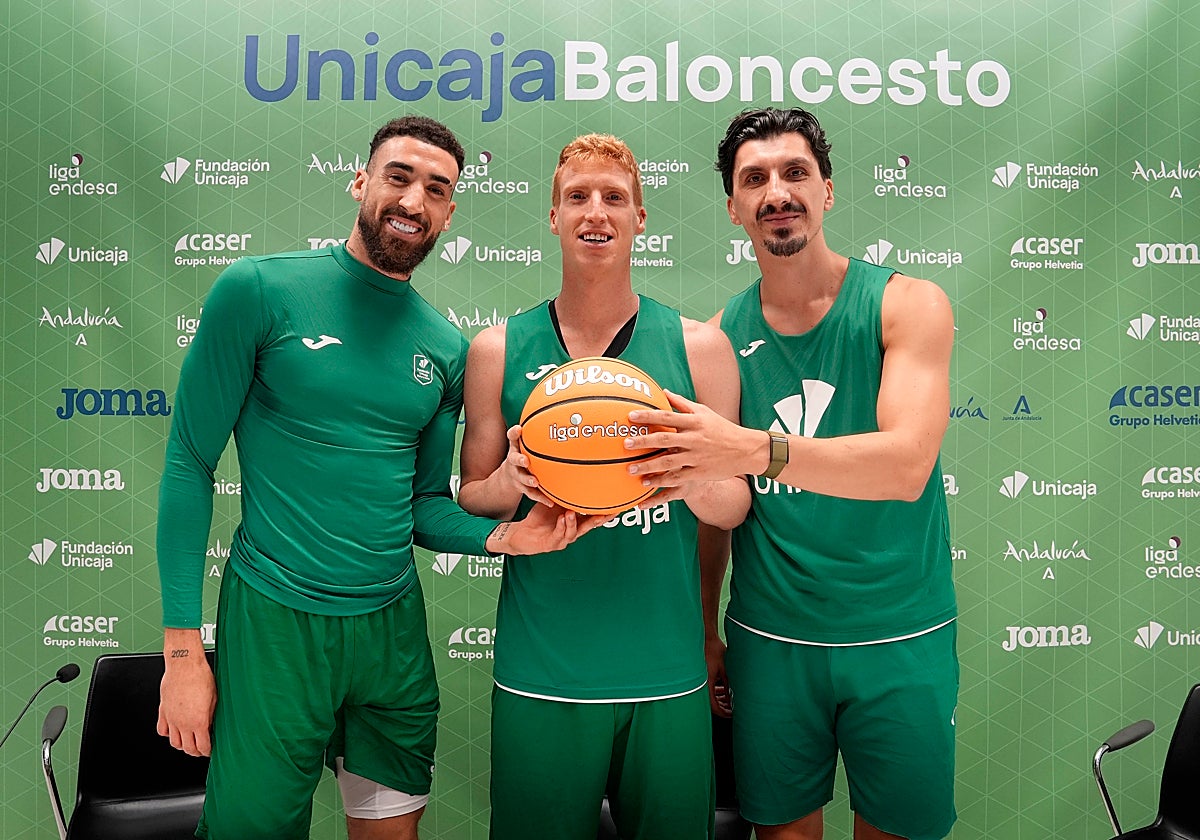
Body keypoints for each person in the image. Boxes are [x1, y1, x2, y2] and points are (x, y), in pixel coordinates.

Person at [155, 115, 599, 840]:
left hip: (392, 634)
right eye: (399, 177)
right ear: (362, 182)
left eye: (436, 188)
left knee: (391, 831)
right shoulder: (258, 290)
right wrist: (182, 652)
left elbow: (424, 506)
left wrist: (508, 537)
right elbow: (188, 464)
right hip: (276, 623)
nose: (414, 201)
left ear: (450, 212)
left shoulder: (444, 346)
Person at [624, 107, 959, 840]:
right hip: (770, 641)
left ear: (827, 191)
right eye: (756, 179)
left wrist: (753, 448)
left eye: (794, 172)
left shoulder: (908, 304)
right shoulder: (718, 338)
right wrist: (707, 626)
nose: (777, 191)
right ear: (734, 207)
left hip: (901, 635)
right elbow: (717, 507)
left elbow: (906, 465)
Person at [456, 133, 751, 840]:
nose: (597, 212)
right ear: (552, 217)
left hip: (666, 669)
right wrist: (510, 477)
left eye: (614, 198)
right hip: (542, 670)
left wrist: (686, 478)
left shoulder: (698, 347)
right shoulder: (496, 349)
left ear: (640, 218)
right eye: (577, 197)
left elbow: (735, 502)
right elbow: (470, 497)